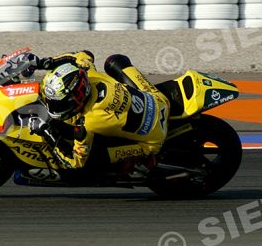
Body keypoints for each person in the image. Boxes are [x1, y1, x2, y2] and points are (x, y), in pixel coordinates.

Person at [15, 50, 169, 174]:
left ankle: (140, 163)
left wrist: (47, 131)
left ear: (78, 96)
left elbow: (75, 162)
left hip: (152, 142)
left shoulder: (87, 123)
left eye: (59, 103)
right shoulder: (90, 74)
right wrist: (45, 63)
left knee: (94, 158)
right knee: (114, 60)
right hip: (158, 100)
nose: (54, 106)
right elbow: (83, 55)